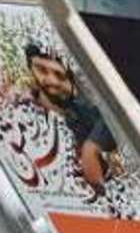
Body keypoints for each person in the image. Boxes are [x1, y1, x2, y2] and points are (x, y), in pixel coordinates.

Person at [24, 42, 118, 191]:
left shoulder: (79, 84)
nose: (44, 79)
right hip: (80, 121)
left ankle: (99, 177)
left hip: (99, 118)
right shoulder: (62, 105)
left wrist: (90, 150)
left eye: (44, 70)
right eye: (38, 72)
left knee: (89, 147)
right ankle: (101, 175)